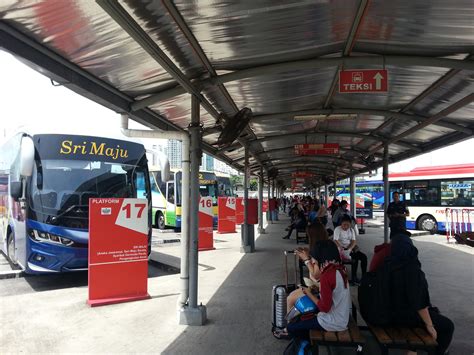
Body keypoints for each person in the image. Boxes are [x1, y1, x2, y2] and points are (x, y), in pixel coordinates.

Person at [389, 233, 454, 355]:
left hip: (390, 313)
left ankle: (413, 350)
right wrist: (429, 325)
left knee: (433, 314)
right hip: (406, 317)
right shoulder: (411, 269)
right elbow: (419, 303)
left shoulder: (389, 264)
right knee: (447, 326)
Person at [273, 240, 351, 339]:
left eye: (314, 258)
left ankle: (295, 335)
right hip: (342, 317)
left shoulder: (327, 275)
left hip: (333, 322)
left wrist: (308, 292)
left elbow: (324, 308)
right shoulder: (339, 268)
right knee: (303, 318)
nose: (313, 261)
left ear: (321, 256)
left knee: (292, 327)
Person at [286, 223, 329, 311]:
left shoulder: (320, 251)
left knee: (290, 299)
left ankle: (291, 324)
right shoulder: (327, 246)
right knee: (292, 296)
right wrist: (309, 254)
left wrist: (306, 260)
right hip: (324, 286)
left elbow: (316, 275)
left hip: (322, 289)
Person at [333, 215, 367, 284]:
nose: (345, 227)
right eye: (344, 225)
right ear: (341, 224)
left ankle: (364, 276)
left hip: (349, 249)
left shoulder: (351, 230)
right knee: (355, 259)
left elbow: (354, 241)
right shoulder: (338, 229)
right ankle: (354, 277)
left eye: (347, 225)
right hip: (340, 250)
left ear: (350, 224)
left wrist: (349, 249)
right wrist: (341, 248)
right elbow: (335, 240)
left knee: (364, 257)